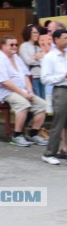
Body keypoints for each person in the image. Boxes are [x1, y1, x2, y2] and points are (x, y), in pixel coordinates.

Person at [0, 35, 48, 147]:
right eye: (11, 45)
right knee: (23, 104)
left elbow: (26, 76)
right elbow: (5, 82)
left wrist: (30, 91)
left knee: (43, 105)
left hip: (22, 91)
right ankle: (17, 135)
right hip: (6, 92)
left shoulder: (17, 58)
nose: (14, 47)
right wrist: (23, 94)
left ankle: (34, 133)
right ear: (3, 46)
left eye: (16, 44)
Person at [40, 29, 67, 165]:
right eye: (64, 38)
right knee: (58, 122)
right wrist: (62, 77)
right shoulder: (50, 57)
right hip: (60, 90)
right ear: (56, 40)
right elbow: (45, 79)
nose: (66, 40)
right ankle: (49, 153)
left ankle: (64, 150)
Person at [19, 24, 46, 100]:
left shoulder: (38, 47)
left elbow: (43, 61)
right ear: (28, 33)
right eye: (34, 32)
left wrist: (36, 58)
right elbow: (28, 61)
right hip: (32, 77)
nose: (36, 34)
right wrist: (36, 57)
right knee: (36, 98)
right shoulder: (24, 46)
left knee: (43, 99)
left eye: (37, 32)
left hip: (41, 76)